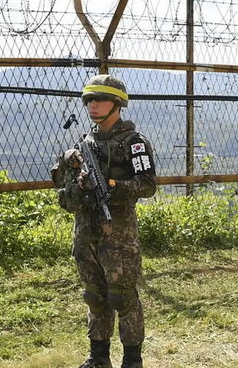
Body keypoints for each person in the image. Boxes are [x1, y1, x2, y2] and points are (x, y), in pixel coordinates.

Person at [51, 74, 157, 368]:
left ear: (117, 104)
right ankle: (98, 358)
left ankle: (132, 361)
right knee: (94, 296)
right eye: (89, 100)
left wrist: (112, 185)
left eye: (100, 99)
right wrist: (71, 165)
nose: (93, 104)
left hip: (118, 235)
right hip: (86, 231)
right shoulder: (84, 142)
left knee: (121, 298)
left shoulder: (134, 143)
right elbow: (62, 186)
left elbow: (147, 185)